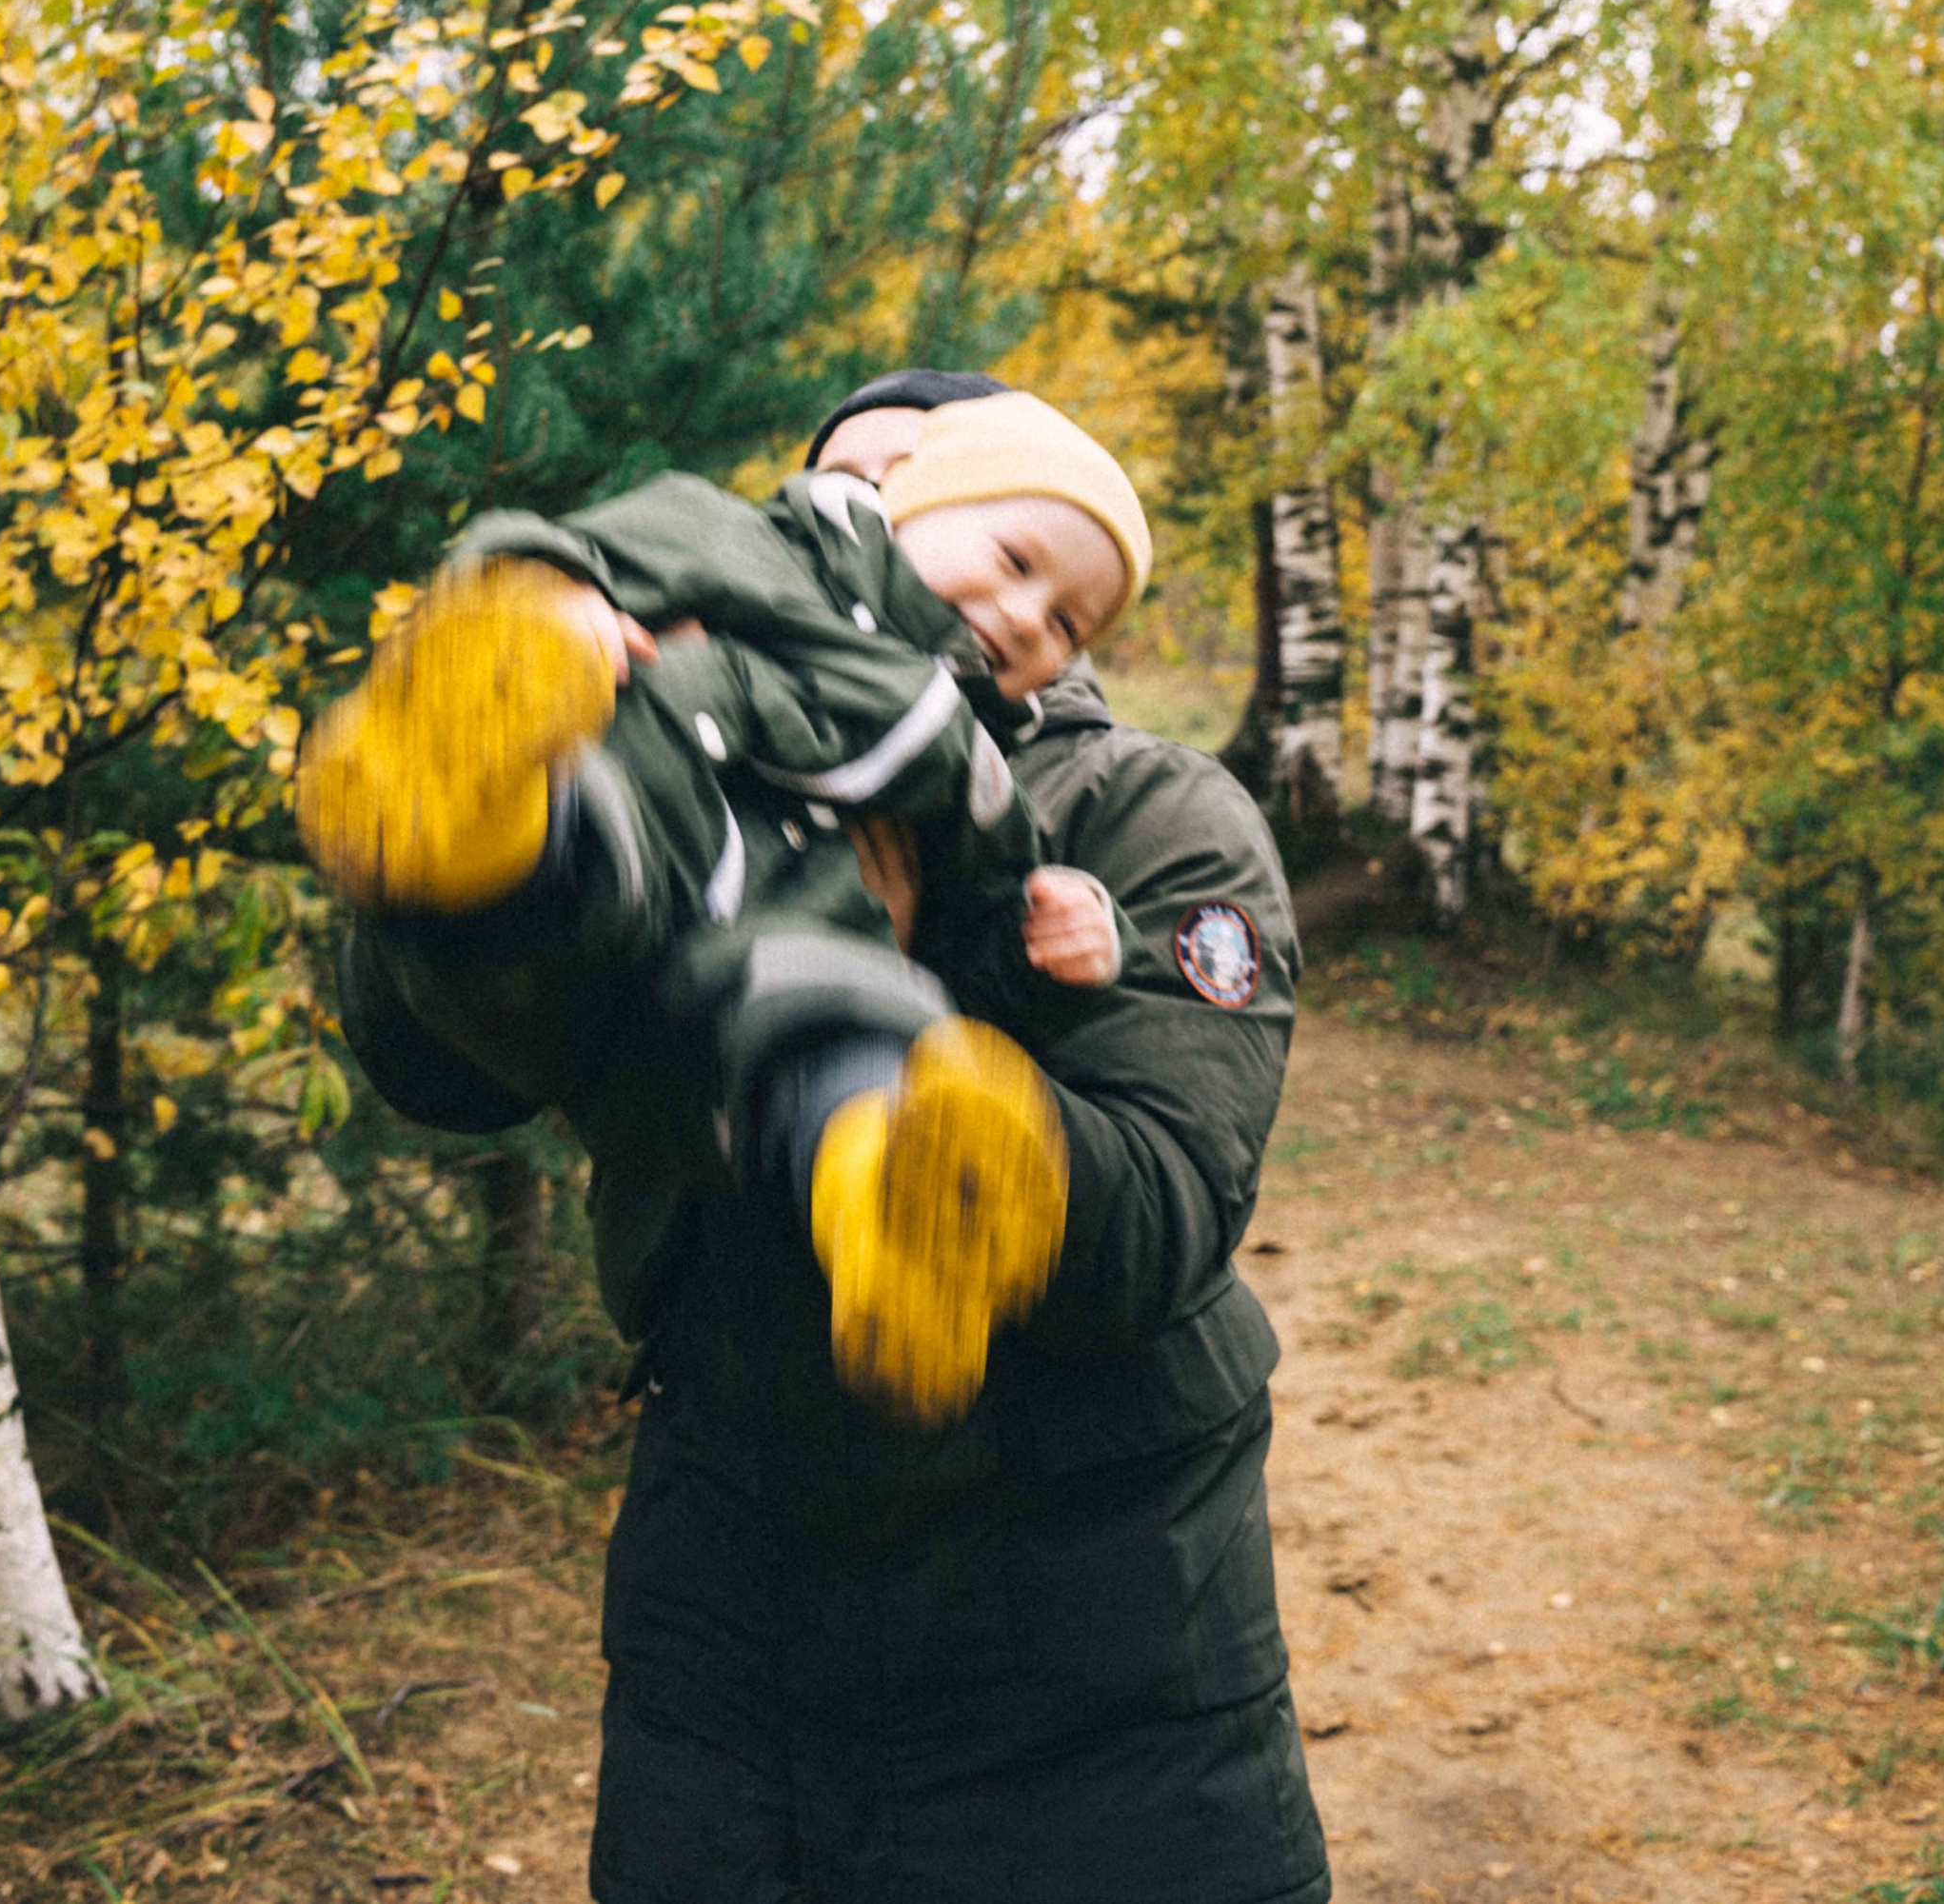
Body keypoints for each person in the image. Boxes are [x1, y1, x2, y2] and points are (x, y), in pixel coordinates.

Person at [336, 369, 1331, 1904]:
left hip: (1093, 1644)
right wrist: (502, 819)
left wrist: (936, 1009)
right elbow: (448, 1070)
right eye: (850, 489)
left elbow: (1160, 1210)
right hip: (738, 1616)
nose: (876, 518)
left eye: (1040, 583)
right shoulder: (689, 698)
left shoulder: (1146, 814)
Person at [302, 391, 1155, 1418]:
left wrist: (1045, 943)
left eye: (1067, 622)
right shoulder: (749, 547)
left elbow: (981, 918)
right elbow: (567, 546)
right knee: (573, 843)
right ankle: (452, 786)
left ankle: (891, 1224)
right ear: (902, 503)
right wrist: (551, 595)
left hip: (750, 977)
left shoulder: (983, 759)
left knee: (866, 1029)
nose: (1027, 616)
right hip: (638, 822)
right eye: (1017, 562)